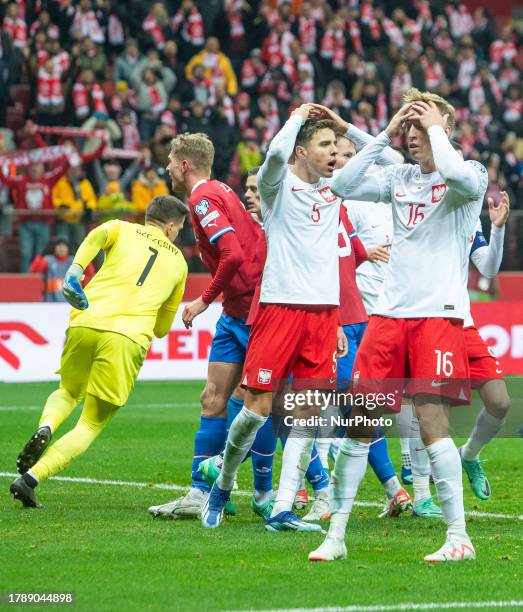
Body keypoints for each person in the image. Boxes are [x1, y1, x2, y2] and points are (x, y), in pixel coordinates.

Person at [309, 89, 487, 563]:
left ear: (443, 129)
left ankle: (458, 537)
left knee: (432, 425)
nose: (411, 136)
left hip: (437, 316)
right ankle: (337, 535)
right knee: (360, 427)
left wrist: (433, 125)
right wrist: (383, 134)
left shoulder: (470, 175)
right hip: (388, 316)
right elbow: (343, 184)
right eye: (407, 128)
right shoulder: (400, 177)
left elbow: (449, 171)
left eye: (420, 126)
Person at [200, 104, 353, 532]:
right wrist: (296, 118)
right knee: (256, 410)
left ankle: (283, 507)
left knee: (305, 415)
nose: (334, 154)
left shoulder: (336, 190)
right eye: (325, 146)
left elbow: (381, 156)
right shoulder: (278, 187)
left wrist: (346, 128)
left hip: (322, 316)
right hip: (280, 309)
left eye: (336, 148)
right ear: (301, 151)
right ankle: (224, 485)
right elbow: (273, 158)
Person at [10, 195, 189, 507]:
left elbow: (96, 235)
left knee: (68, 390)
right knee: (90, 423)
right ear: (171, 227)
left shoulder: (120, 228)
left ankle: (47, 424)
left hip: (87, 320)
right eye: (180, 229)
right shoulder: (180, 263)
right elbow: (161, 330)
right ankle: (31, 478)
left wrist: (75, 271)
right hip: (128, 337)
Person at [148, 133, 276, 521]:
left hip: (256, 311)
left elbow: (233, 254)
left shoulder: (203, 199)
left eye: (171, 159)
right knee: (212, 398)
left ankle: (265, 491)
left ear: (185, 164)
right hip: (237, 313)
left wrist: (204, 298)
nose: (167, 166)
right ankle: (198, 493)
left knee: (258, 402)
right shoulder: (221, 190)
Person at [0, 158, 69, 272]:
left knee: (41, 253)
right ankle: (26, 279)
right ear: (28, 168)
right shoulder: (21, 181)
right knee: (25, 252)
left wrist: (68, 158)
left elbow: (62, 171)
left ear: (42, 168)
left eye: (38, 166)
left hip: (43, 223)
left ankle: (40, 278)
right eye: (32, 166)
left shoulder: (48, 179)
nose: (35, 169)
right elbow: (5, 179)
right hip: (25, 223)